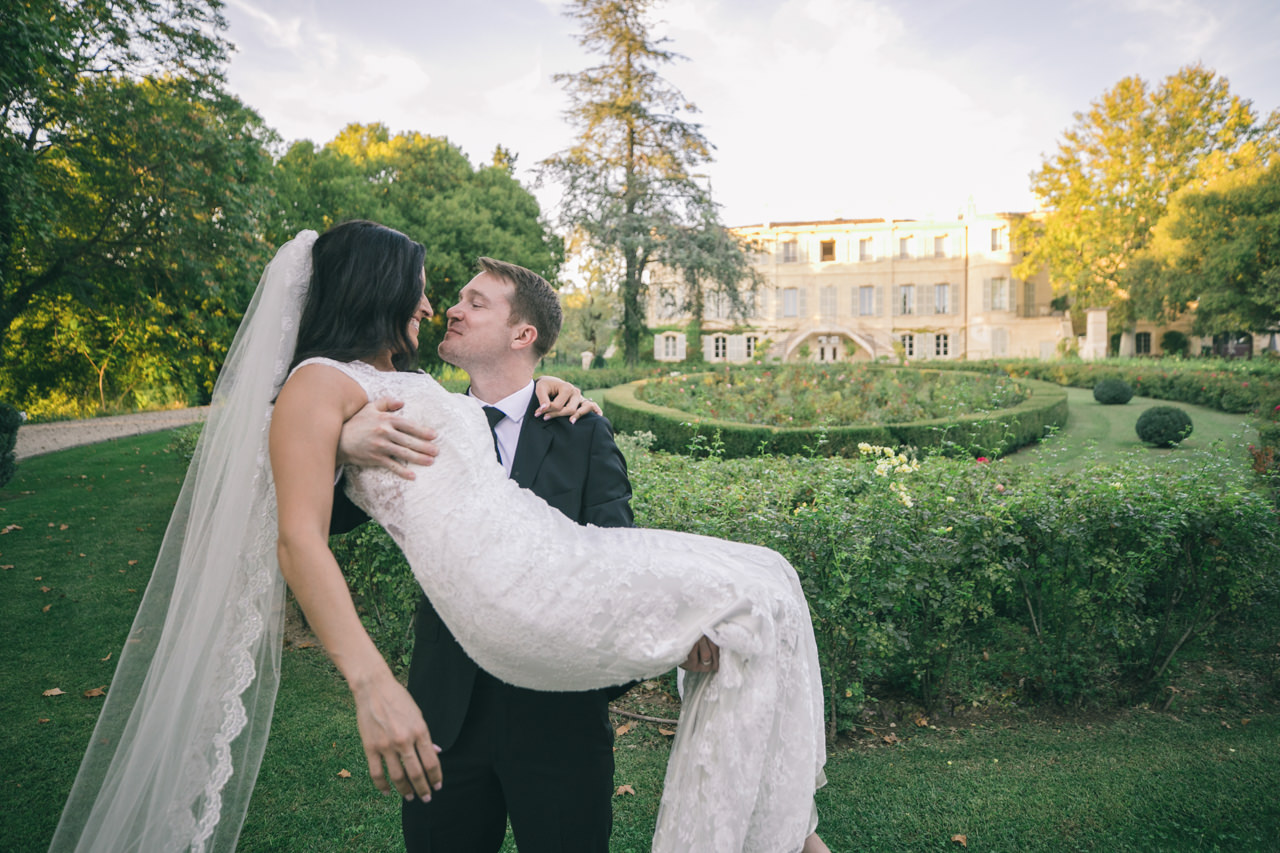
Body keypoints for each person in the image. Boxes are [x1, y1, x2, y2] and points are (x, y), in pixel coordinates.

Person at [57, 222, 830, 853]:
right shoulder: (318, 387)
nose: (434, 306)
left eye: (465, 299)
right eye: (426, 290)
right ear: (380, 289)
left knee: (767, 591)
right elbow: (300, 539)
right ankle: (787, 836)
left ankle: (780, 830)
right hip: (495, 633)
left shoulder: (518, 411)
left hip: (559, 609)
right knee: (764, 588)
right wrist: (372, 681)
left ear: (524, 334)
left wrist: (656, 631)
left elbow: (573, 513)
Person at [332, 255, 719, 852]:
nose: (450, 310)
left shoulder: (581, 429)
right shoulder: (420, 418)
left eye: (475, 302)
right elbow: (329, 519)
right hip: (446, 716)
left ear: (523, 334)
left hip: (558, 720)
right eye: (456, 299)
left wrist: (670, 626)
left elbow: (617, 554)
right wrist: (342, 444)